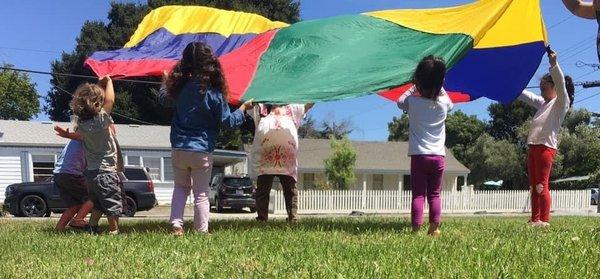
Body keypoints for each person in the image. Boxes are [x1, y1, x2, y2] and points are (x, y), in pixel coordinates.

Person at [159, 42, 253, 235]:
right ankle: (201, 230)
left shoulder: (178, 88)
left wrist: (164, 82)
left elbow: (163, 99)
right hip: (201, 149)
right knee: (201, 192)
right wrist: (243, 110)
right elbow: (227, 121)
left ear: (184, 63)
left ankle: (177, 225)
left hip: (179, 148)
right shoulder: (214, 93)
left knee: (180, 187)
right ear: (210, 64)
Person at [55, 76, 123, 234]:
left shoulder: (82, 124)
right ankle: (114, 231)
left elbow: (78, 136)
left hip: (90, 174)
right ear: (98, 103)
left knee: (97, 202)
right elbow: (110, 100)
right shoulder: (101, 119)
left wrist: (67, 136)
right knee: (112, 203)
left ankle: (92, 227)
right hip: (106, 171)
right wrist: (109, 81)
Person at [397, 55, 453, 236]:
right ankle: (434, 228)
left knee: (418, 195)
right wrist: (440, 84)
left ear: (418, 81)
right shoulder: (444, 104)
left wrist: (414, 85)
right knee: (434, 195)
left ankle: (415, 229)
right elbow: (449, 101)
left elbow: (400, 101)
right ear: (441, 82)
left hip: (419, 156)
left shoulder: (412, 103)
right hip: (438, 157)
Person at [517, 50, 574, 227]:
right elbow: (525, 95)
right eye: (540, 90)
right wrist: (512, 86)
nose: (541, 93)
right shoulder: (543, 104)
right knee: (534, 186)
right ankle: (534, 219)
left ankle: (544, 220)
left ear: (555, 88)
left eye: (544, 89)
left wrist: (553, 65)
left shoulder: (560, 103)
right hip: (534, 147)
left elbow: (560, 83)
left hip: (546, 148)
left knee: (542, 185)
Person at [249, 103, 313, 223]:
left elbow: (308, 104)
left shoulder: (293, 108)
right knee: (263, 190)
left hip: (286, 160)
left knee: (290, 190)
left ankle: (292, 218)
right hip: (265, 159)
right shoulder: (260, 107)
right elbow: (245, 102)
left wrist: (318, 89)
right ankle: (262, 218)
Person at [52, 140, 94, 231]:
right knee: (94, 196)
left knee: (74, 205)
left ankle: (58, 229)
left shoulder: (73, 141)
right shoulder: (84, 136)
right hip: (71, 173)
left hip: (59, 174)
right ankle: (78, 220)